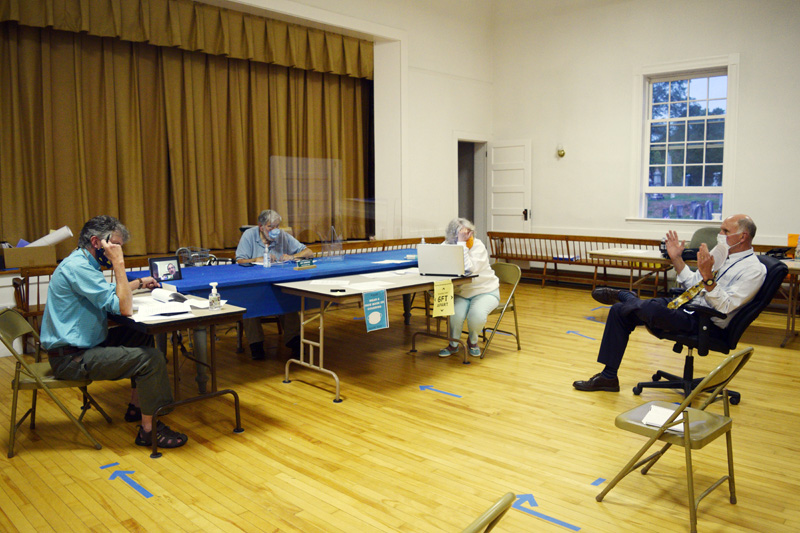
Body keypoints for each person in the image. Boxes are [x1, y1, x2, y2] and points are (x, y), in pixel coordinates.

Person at [40, 215, 188, 448]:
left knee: (141, 335)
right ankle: (149, 431)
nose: (119, 250)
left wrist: (138, 282)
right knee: (151, 359)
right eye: (116, 244)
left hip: (83, 344)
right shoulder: (78, 267)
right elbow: (124, 307)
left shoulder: (82, 262)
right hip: (71, 358)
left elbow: (108, 292)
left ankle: (136, 408)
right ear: (97, 242)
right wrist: (119, 264)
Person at [573, 214, 766, 392]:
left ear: (743, 237)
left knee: (648, 307)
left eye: (725, 231)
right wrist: (676, 258)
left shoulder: (754, 270)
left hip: (705, 322)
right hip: (686, 304)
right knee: (618, 310)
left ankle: (629, 297)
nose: (720, 235)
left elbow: (725, 306)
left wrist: (708, 278)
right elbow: (693, 283)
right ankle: (608, 378)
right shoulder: (722, 255)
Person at [235, 209, 313, 360]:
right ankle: (256, 345)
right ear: (261, 226)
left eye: (277, 226)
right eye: (271, 227)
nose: (275, 230)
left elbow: (308, 252)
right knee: (249, 306)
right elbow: (239, 260)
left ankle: (294, 341)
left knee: (289, 301)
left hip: (278, 282)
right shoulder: (249, 235)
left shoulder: (282, 235)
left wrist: (292, 256)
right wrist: (256, 259)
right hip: (255, 283)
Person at [438, 218, 500, 357]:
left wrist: (462, 243)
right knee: (455, 316)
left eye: (469, 233)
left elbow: (469, 269)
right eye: (462, 234)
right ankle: (453, 344)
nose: (467, 237)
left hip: (485, 291)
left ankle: (473, 341)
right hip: (461, 293)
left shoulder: (478, 246)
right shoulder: (447, 245)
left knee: (476, 316)